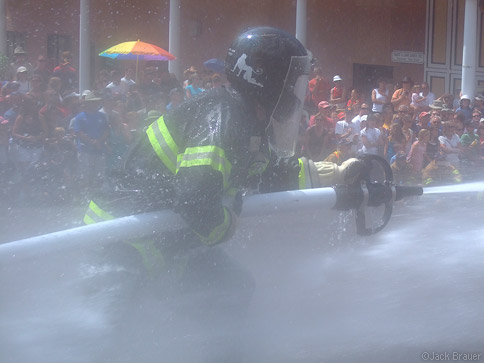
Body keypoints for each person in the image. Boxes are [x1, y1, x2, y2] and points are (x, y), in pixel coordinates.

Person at [82, 27, 367, 259]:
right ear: (265, 82)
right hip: (123, 234)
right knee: (114, 320)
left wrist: (338, 176)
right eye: (290, 84)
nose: (296, 97)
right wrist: (227, 226)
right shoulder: (224, 118)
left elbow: (270, 174)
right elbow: (195, 198)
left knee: (232, 294)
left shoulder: (247, 123)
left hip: (163, 231)